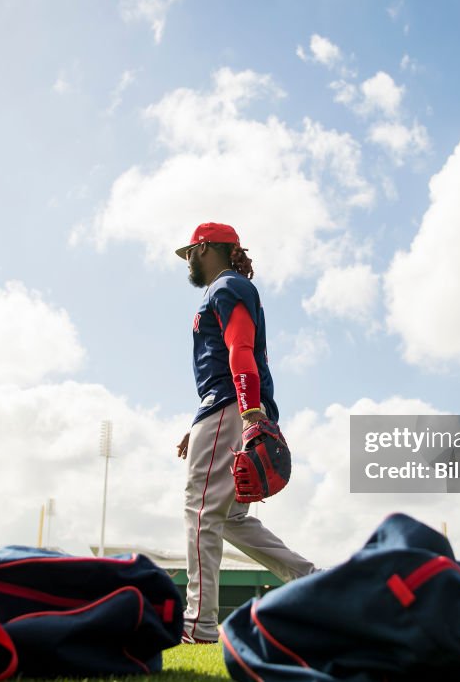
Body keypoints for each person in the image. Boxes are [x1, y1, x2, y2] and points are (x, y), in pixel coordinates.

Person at [174, 222, 315, 644]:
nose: (188, 262)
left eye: (190, 253)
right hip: (228, 406)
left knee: (200, 512)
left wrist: (249, 412)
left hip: (231, 405)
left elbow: (239, 349)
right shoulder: (231, 287)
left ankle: (198, 625)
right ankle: (310, 579)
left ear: (205, 249)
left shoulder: (226, 286)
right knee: (230, 518)